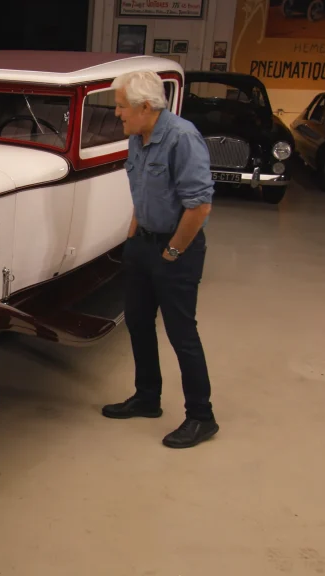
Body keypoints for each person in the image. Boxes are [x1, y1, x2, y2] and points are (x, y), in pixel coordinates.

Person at [100, 69, 219, 449]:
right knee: (137, 323)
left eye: (121, 107)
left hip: (176, 249)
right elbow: (142, 192)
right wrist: (134, 237)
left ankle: (202, 416)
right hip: (143, 246)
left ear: (145, 107)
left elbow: (199, 206)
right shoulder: (138, 136)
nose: (116, 113)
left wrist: (171, 252)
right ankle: (147, 398)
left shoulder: (182, 138)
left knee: (182, 334)